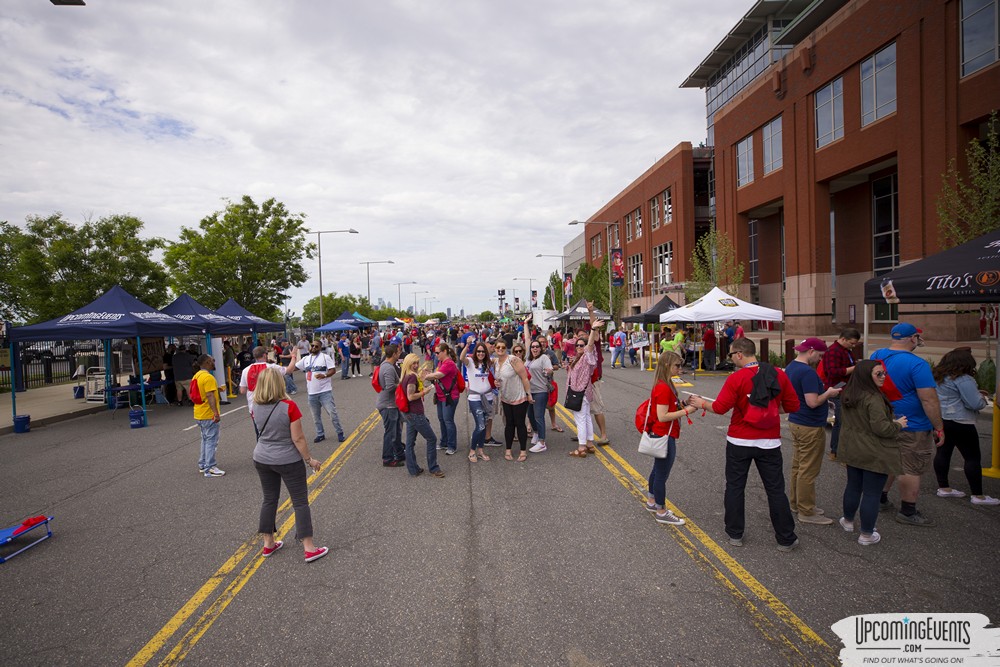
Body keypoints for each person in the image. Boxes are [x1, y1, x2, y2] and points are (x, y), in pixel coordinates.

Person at [687, 338, 801, 551]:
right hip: (769, 441)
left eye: (731, 355)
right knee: (775, 490)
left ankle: (735, 533)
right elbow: (793, 405)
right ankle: (786, 538)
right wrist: (769, 409)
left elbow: (720, 408)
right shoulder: (778, 374)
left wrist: (701, 403)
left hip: (739, 440)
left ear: (739, 354)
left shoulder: (737, 378)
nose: (730, 359)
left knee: (735, 486)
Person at [870, 323, 945, 526]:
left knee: (888, 461)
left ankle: (880, 499)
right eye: (917, 337)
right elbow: (929, 400)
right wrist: (938, 427)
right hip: (913, 424)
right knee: (911, 467)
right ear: (913, 338)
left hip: (884, 420)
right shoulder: (918, 364)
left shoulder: (877, 355)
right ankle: (908, 511)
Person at [250, 367, 328, 563]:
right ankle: (309, 547)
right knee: (300, 502)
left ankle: (268, 543)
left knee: (269, 499)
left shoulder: (255, 406)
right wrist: (309, 459)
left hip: (262, 456)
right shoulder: (289, 406)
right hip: (287, 459)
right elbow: (298, 438)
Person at [837, 360, 906, 546]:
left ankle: (848, 521)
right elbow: (882, 428)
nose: (883, 377)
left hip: (853, 449)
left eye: (884, 373)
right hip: (874, 451)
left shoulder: (849, 394)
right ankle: (867, 534)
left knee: (853, 486)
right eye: (878, 374)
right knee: (872, 493)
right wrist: (898, 424)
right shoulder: (873, 398)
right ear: (867, 376)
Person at [784, 337, 842, 524]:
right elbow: (812, 402)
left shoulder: (791, 367)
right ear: (811, 351)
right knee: (808, 470)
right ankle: (806, 511)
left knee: (798, 466)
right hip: (810, 424)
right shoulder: (807, 372)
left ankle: (796, 503)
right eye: (820, 355)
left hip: (796, 420)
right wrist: (829, 393)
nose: (820, 359)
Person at [933, 348, 998, 505]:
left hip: (942, 420)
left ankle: (944, 488)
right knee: (972, 458)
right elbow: (974, 403)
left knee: (943, 453)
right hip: (961, 422)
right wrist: (982, 398)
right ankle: (978, 496)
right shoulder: (964, 379)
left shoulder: (939, 377)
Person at [642, 351, 695, 525]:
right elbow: (663, 416)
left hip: (662, 433)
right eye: (677, 365)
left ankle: (652, 501)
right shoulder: (664, 387)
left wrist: (684, 403)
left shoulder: (664, 384)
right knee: (661, 474)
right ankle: (661, 511)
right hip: (664, 434)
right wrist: (687, 411)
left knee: (657, 470)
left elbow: (668, 408)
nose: (680, 368)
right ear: (667, 365)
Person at [566, 307, 605, 458]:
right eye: (577, 345)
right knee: (586, 417)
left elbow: (590, 346)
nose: (579, 347)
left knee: (580, 419)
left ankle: (581, 447)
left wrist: (593, 329)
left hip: (580, 392)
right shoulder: (577, 358)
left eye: (582, 345)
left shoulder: (587, 357)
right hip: (582, 392)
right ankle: (589, 443)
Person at [399, 353, 445, 478]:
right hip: (415, 414)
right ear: (408, 363)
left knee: (410, 442)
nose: (416, 365)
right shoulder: (411, 377)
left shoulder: (407, 375)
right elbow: (411, 396)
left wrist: (422, 379)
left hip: (409, 413)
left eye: (417, 363)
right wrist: (425, 391)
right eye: (413, 363)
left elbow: (412, 390)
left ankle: (413, 469)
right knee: (431, 439)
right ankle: (433, 468)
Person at [295, 339, 346, 444]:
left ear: (320, 348)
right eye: (312, 345)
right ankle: (320, 434)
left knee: (332, 413)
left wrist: (325, 375)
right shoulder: (306, 359)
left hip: (325, 392)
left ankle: (340, 432)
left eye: (316, 346)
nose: (313, 347)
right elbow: (294, 368)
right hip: (311, 393)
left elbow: (333, 370)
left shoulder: (325, 357)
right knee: (316, 417)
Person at [823, 328, 861, 459]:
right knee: (840, 422)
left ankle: (841, 450)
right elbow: (832, 372)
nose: (853, 346)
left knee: (845, 422)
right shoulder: (833, 351)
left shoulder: (846, 350)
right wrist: (854, 368)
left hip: (846, 389)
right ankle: (835, 451)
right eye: (852, 343)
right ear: (843, 339)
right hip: (838, 390)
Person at [494, 339, 534, 461]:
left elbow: (525, 378)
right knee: (509, 424)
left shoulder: (513, 360)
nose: (500, 349)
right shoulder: (496, 362)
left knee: (520, 424)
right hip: (506, 398)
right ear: (495, 349)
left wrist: (529, 394)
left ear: (506, 348)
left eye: (503, 347)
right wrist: (496, 382)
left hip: (519, 397)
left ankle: (523, 451)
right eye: (498, 347)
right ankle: (508, 450)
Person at [423, 343, 461, 455]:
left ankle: (452, 445)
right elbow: (437, 374)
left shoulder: (449, 363)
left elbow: (438, 375)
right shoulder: (441, 362)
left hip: (449, 397)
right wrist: (431, 374)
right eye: (435, 352)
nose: (436, 355)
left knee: (448, 420)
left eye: (437, 352)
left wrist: (425, 376)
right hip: (441, 396)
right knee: (442, 419)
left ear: (444, 352)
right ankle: (444, 442)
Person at [459, 337, 493, 463]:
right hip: (474, 398)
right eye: (478, 351)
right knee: (480, 425)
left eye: (483, 351)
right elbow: (461, 358)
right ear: (475, 352)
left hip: (488, 397)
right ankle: (472, 451)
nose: (480, 353)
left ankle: (481, 450)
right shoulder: (470, 362)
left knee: (484, 425)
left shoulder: (488, 363)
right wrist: (467, 345)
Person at [239, 346, 297, 417]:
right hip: (271, 404)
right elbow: (289, 370)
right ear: (264, 355)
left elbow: (242, 390)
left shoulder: (246, 370)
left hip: (253, 407)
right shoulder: (272, 367)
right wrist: (293, 357)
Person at [192, 354, 225, 477]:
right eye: (212, 360)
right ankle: (210, 467)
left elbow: (202, 392)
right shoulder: (208, 377)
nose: (214, 362)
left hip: (199, 413)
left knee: (205, 439)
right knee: (211, 441)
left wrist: (217, 389)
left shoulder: (197, 375)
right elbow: (210, 395)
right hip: (208, 414)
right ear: (207, 362)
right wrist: (215, 413)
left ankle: (203, 464)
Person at [375, 344, 405, 467]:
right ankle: (387, 458)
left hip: (391, 404)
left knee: (396, 431)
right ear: (393, 354)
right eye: (398, 352)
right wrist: (401, 384)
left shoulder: (386, 365)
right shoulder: (388, 368)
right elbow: (390, 387)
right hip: (388, 405)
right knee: (391, 433)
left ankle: (399, 454)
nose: (399, 354)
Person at [526, 337, 553, 453]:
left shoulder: (544, 358)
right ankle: (536, 433)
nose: (535, 348)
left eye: (537, 347)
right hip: (529, 391)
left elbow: (550, 369)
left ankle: (542, 442)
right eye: (533, 347)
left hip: (540, 391)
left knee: (538, 416)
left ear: (541, 348)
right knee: (530, 415)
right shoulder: (529, 359)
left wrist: (548, 371)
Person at [538, 336, 565, 434]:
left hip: (549, 382)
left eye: (544, 342)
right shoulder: (534, 352)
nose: (542, 344)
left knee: (551, 404)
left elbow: (557, 365)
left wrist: (551, 368)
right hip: (536, 382)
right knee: (535, 405)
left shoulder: (551, 353)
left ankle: (554, 424)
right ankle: (530, 425)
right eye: (540, 342)